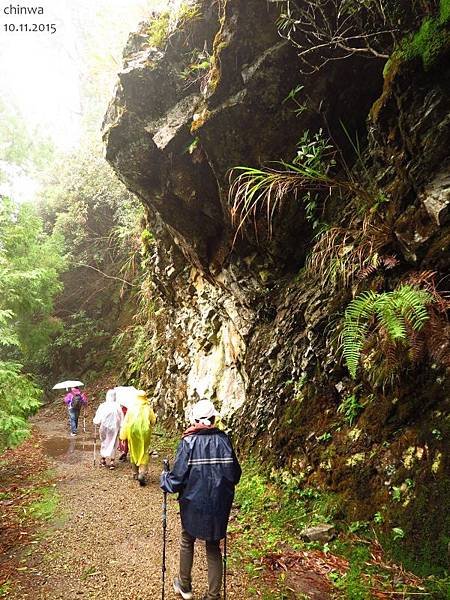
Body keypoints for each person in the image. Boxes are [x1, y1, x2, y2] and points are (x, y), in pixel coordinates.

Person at [160, 399, 241, 600]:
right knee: (213, 546)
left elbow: (176, 480)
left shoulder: (188, 442)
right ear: (214, 418)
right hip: (219, 504)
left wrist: (164, 479)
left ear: (194, 419)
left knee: (188, 540)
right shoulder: (225, 440)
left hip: (193, 503)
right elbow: (235, 475)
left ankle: (185, 586)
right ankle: (213, 596)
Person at [119, 389, 156, 486]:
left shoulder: (131, 408)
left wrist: (123, 436)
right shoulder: (148, 408)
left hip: (132, 432)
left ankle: (135, 473)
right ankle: (142, 473)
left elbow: (126, 422)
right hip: (145, 433)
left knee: (133, 451)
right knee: (143, 451)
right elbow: (153, 421)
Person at [92, 389, 124, 470]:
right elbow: (121, 418)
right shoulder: (117, 406)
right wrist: (121, 426)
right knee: (113, 443)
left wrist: (95, 421)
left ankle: (103, 459)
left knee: (104, 442)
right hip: (114, 428)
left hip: (104, 427)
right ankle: (112, 461)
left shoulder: (103, 406)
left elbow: (97, 418)